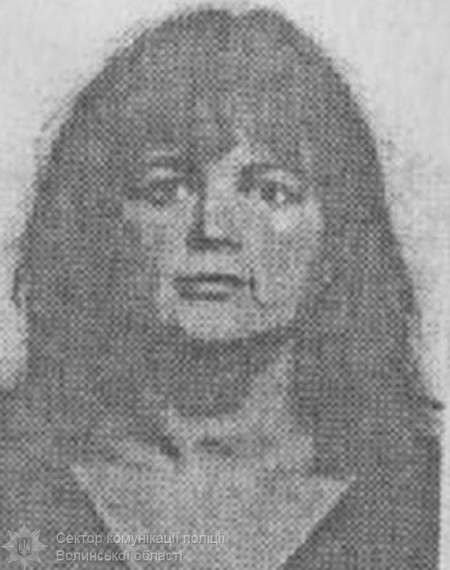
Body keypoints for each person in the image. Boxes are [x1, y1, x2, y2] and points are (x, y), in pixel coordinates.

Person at [1, 7, 440, 569]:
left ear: (339, 238)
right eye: (166, 189)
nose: (213, 228)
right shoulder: (14, 465)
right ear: (95, 225)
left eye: (271, 191)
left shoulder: (416, 486)